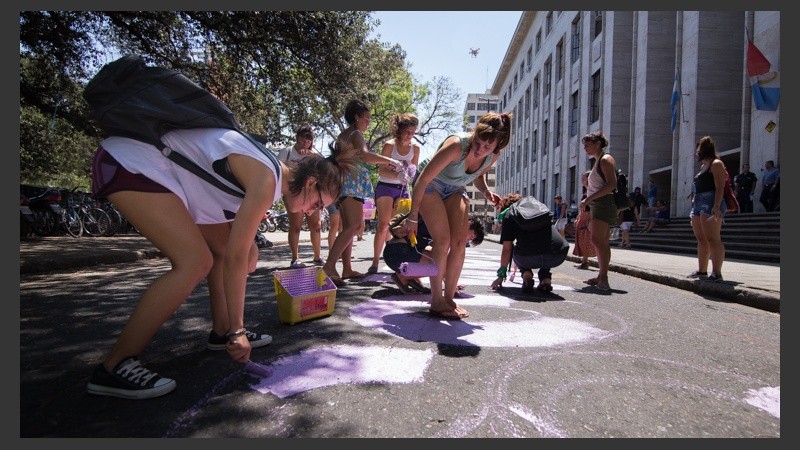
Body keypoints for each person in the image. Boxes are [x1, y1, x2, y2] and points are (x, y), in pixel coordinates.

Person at [86, 127, 347, 399]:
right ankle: (115, 365)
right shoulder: (268, 179)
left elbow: (230, 239)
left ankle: (221, 332)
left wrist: (248, 249)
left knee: (223, 253)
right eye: (317, 204)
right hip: (132, 164)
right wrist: (239, 330)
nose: (314, 212)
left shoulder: (269, 172)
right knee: (195, 262)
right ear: (310, 183)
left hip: (162, 174)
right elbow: (237, 258)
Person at [407, 112, 511, 320]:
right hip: (430, 183)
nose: (480, 150)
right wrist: (413, 216)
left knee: (459, 241)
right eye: (478, 143)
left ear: (497, 145)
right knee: (442, 240)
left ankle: (449, 298)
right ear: (475, 134)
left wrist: (485, 192)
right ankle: (436, 300)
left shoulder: (493, 155)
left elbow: (477, 174)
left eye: (487, 147)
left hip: (455, 188)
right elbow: (423, 179)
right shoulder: (456, 145)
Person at [322, 99, 402, 286]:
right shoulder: (355, 133)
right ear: (357, 117)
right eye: (367, 118)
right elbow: (365, 155)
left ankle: (347, 268)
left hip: (343, 182)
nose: (368, 122)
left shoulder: (344, 134)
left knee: (348, 227)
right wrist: (390, 161)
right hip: (351, 184)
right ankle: (329, 266)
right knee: (354, 226)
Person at [369, 113, 421, 275]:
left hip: (403, 189)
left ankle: (397, 261)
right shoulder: (389, 145)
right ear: (399, 130)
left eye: (413, 132)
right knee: (384, 224)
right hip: (386, 186)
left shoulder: (415, 148)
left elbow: (414, 170)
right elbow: (381, 170)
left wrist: (409, 174)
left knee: (400, 228)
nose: (409, 135)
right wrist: (397, 174)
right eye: (407, 132)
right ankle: (375, 262)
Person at [383, 212, 484, 295]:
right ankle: (403, 277)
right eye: (471, 236)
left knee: (441, 258)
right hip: (397, 253)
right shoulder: (444, 225)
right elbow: (442, 260)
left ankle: (410, 277)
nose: (468, 240)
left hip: (397, 252)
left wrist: (451, 283)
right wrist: (450, 285)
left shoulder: (447, 224)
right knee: (440, 261)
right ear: (469, 223)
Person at [490, 194, 570, 294]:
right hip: (557, 254)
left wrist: (501, 275)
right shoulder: (538, 207)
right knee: (545, 245)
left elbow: (507, 249)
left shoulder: (510, 214)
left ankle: (526, 275)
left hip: (527, 257)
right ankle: (545, 280)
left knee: (516, 249)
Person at [278, 125, 324, 268]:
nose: (306, 143)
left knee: (316, 226)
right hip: (293, 193)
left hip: (311, 194)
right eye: (303, 140)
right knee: (296, 226)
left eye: (309, 141)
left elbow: (324, 169)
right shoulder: (286, 152)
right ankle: (295, 258)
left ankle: (317, 257)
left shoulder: (314, 153)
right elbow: (279, 171)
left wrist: (312, 156)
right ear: (297, 138)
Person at [580, 131, 617, 292]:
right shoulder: (598, 161)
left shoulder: (605, 159)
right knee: (602, 241)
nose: (585, 148)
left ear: (598, 143)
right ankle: (601, 275)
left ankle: (604, 278)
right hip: (598, 204)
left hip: (603, 204)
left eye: (588, 145)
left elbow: (611, 185)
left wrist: (588, 199)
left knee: (597, 240)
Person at [688, 136, 727, 282]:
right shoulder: (703, 166)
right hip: (698, 203)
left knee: (713, 238)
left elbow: (720, 187)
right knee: (701, 238)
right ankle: (702, 270)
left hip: (710, 202)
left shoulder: (716, 164)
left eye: (698, 150)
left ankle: (717, 273)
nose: (696, 153)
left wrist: (716, 206)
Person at [572, 170, 596, 270]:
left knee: (586, 239)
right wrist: (578, 217)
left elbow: (593, 206)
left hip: (589, 217)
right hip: (583, 216)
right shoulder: (586, 191)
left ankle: (585, 262)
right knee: (582, 239)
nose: (582, 180)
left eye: (583, 178)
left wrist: (590, 220)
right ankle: (584, 261)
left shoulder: (592, 191)